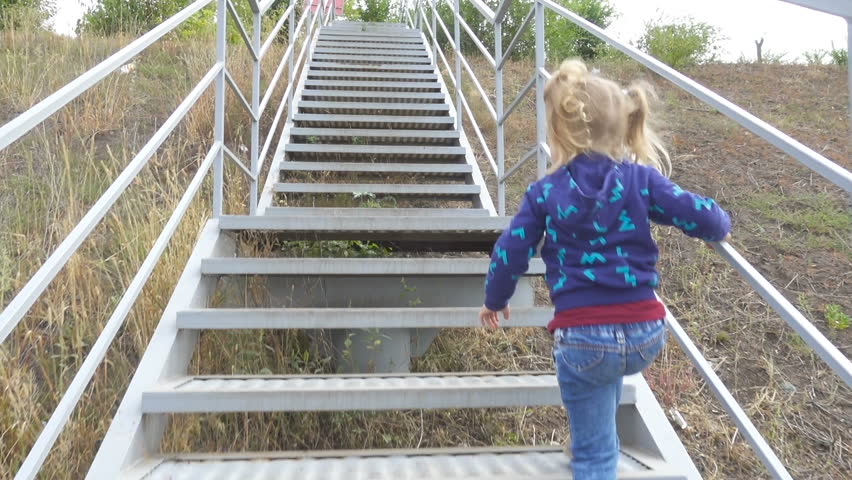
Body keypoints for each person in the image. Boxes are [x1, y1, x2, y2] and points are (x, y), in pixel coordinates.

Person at [479, 59, 731, 480]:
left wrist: (494, 299)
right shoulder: (641, 180)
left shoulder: (545, 192)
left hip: (584, 338)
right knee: (605, 374)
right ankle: (594, 435)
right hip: (644, 333)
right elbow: (700, 216)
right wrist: (722, 223)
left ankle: (593, 446)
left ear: (560, 133)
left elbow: (511, 251)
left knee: (595, 455)